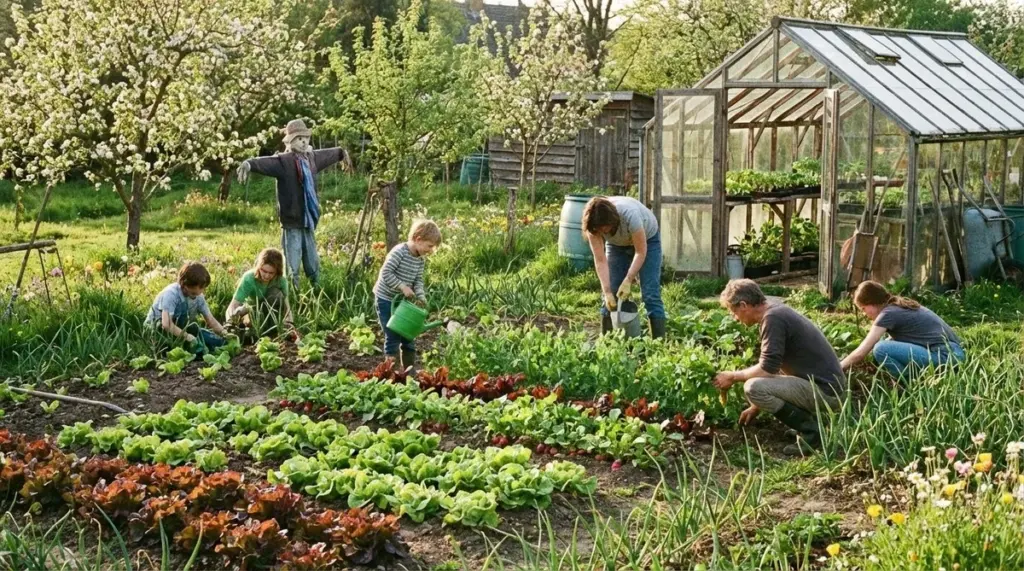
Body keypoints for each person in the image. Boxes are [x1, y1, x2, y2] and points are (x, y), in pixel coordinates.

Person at [712, 279, 846, 455]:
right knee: (757, 387)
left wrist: (732, 376)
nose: (734, 318)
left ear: (744, 305)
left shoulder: (773, 319)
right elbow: (778, 365)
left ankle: (812, 434)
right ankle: (809, 424)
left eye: (733, 311)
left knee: (753, 387)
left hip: (826, 392)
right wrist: (756, 406)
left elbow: (767, 369)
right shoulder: (777, 311)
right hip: (830, 387)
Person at [237, 119, 351, 288]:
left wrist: (342, 153)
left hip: (308, 220)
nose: (304, 142)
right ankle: (293, 294)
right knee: (293, 263)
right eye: (299, 139)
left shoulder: (311, 158)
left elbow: (327, 154)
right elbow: (266, 162)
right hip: (291, 222)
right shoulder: (283, 161)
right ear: (290, 141)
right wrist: (249, 164)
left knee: (312, 261)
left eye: (306, 138)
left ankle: (316, 291)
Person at [841, 280, 964, 378]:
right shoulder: (896, 306)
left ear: (872, 303)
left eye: (863, 308)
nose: (864, 313)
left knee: (881, 349)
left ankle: (908, 382)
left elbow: (862, 352)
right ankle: (917, 376)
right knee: (886, 343)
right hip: (954, 354)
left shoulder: (888, 314)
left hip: (945, 357)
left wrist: (839, 367)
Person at [581, 196, 666, 339]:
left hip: (648, 240)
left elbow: (640, 252)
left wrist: (628, 279)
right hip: (617, 246)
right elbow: (600, 260)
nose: (602, 234)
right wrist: (607, 291)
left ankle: (658, 346)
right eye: (598, 231)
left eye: (604, 230)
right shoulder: (593, 226)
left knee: (650, 294)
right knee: (611, 295)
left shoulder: (629, 215)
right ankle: (607, 344)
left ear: (611, 221)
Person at [373, 220, 442, 372]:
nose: (431, 250)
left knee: (408, 336)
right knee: (392, 335)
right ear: (418, 239)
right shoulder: (399, 252)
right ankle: (393, 372)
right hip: (385, 299)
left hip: (402, 303)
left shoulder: (420, 260)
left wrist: (421, 296)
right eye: (429, 246)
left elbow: (417, 280)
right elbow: (385, 273)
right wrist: (402, 286)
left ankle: (409, 371)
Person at [145, 262, 228, 353]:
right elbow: (166, 324)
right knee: (192, 350)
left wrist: (225, 333)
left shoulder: (198, 297)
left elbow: (210, 320)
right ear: (183, 284)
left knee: (217, 342)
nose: (197, 295)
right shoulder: (171, 294)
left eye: (201, 291)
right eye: (193, 293)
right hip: (159, 332)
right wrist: (187, 336)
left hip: (181, 329)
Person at [225, 248, 297, 339]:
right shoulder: (249, 278)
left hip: (272, 315)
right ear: (258, 267)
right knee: (243, 311)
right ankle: (256, 332)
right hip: (254, 313)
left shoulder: (281, 281)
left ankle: (271, 332)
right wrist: (229, 324)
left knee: (275, 294)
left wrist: (290, 324)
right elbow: (233, 305)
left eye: (271, 273)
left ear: (277, 272)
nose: (267, 276)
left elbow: (286, 306)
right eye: (264, 271)